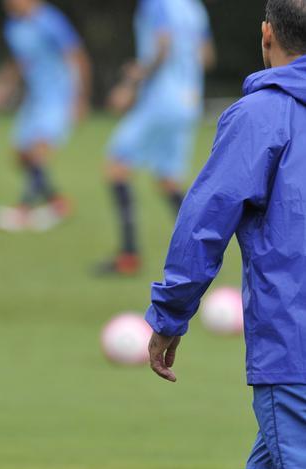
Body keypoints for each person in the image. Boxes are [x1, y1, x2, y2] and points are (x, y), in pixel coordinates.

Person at [145, 0, 306, 469]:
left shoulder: (262, 116)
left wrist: (169, 316)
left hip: (295, 347)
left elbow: (205, 220)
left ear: (266, 35)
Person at [97, 0, 215, 276]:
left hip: (162, 100)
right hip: (188, 101)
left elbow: (163, 45)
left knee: (116, 166)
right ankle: (201, 255)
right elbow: (207, 56)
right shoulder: (194, 8)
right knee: (168, 179)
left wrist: (132, 82)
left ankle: (128, 256)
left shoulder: (157, 3)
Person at [0, 0, 91, 233]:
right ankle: (58, 203)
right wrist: (2, 91)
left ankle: (23, 210)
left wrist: (80, 97)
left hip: (58, 96)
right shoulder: (12, 26)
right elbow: (19, 62)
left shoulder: (50, 21)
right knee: (21, 156)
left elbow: (76, 56)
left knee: (38, 152)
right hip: (35, 99)